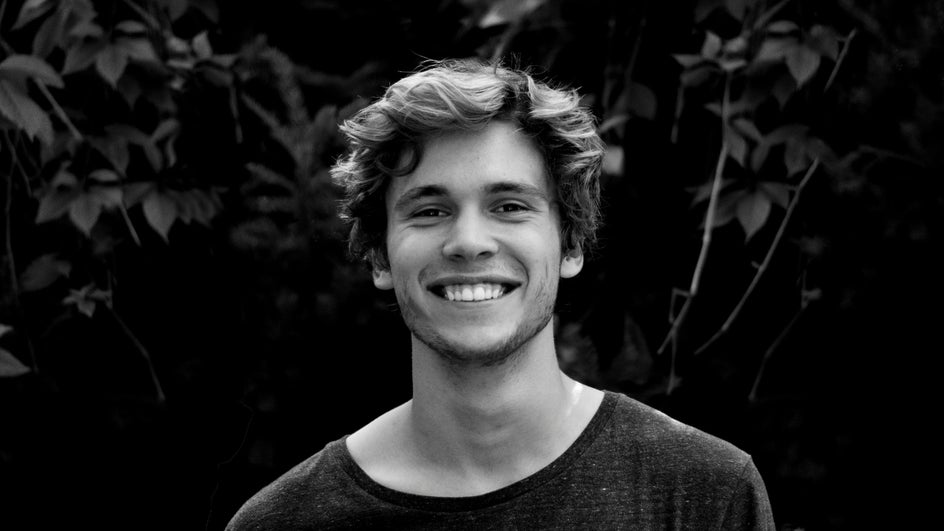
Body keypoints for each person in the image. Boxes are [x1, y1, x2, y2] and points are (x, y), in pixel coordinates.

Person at [227, 58, 775, 530]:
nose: (468, 242)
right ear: (379, 255)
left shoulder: (705, 495)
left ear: (571, 243)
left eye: (509, 206)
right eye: (430, 210)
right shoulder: (281, 521)